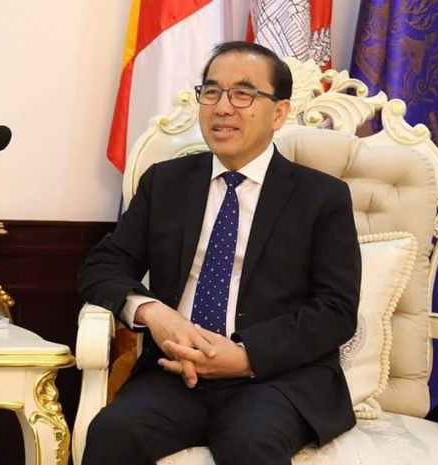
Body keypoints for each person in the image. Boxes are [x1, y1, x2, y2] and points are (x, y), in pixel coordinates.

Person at [78, 41, 361, 465]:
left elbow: (336, 310)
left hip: (274, 379)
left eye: (243, 94)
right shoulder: (165, 183)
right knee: (111, 433)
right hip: (176, 373)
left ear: (279, 113)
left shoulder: (322, 197)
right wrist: (153, 313)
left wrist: (246, 357)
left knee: (250, 445)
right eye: (211, 92)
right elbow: (103, 267)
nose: (222, 108)